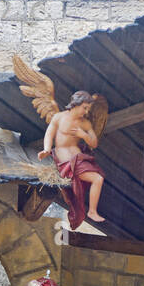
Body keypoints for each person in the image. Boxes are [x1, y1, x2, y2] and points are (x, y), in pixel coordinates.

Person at [39, 90, 106, 227]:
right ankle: (91, 212)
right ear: (76, 104)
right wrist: (46, 149)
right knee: (97, 179)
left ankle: (92, 211)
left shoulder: (85, 124)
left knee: (98, 178)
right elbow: (49, 134)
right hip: (65, 159)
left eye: (88, 109)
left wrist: (84, 136)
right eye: (85, 108)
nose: (86, 112)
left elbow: (94, 143)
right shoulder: (59, 117)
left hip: (78, 157)